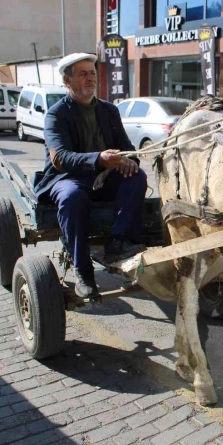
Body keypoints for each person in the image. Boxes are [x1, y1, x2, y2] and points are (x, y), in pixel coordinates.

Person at [33, 53, 147, 299]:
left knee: (137, 177)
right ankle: (83, 270)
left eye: (92, 73)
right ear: (68, 81)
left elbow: (128, 149)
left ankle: (118, 242)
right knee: (72, 197)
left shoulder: (109, 110)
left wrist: (128, 160)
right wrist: (98, 159)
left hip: (103, 176)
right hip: (67, 178)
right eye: (82, 74)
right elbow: (60, 159)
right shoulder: (56, 114)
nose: (90, 78)